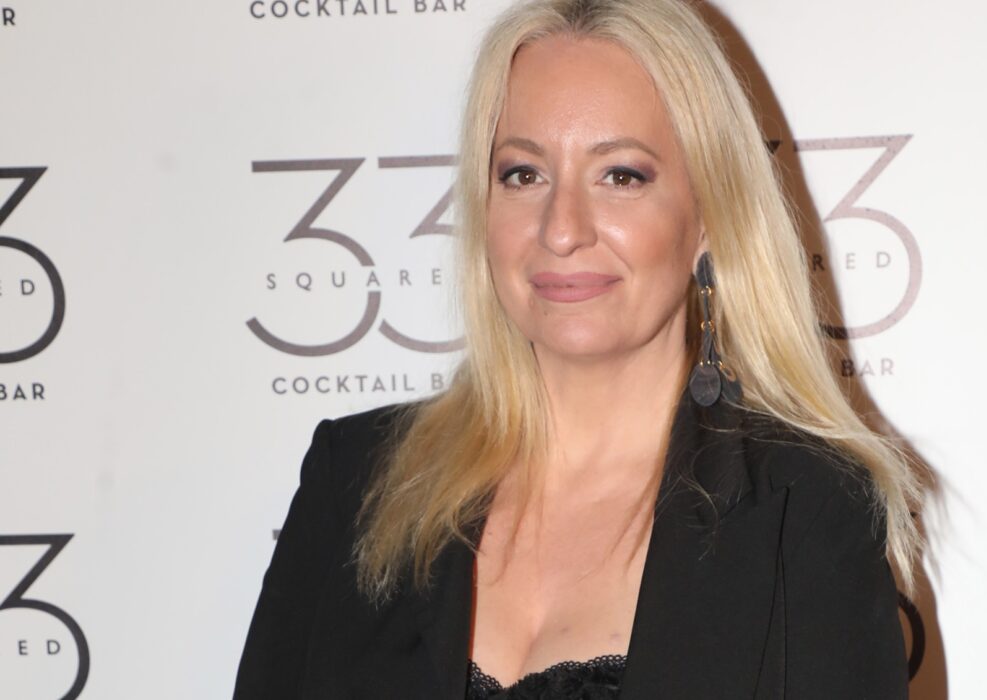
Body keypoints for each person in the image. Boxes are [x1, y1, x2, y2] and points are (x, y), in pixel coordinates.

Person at [233, 0, 922, 697]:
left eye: (621, 175)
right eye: (523, 174)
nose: (561, 229)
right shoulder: (355, 482)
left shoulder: (805, 511)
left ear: (710, 215)